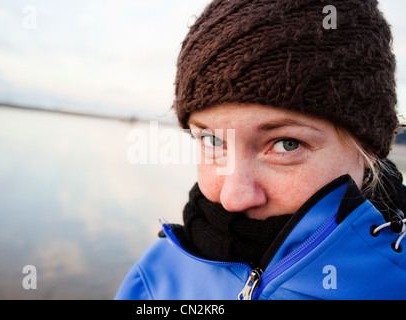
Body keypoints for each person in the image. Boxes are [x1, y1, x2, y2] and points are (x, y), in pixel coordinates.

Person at [115, 0, 406, 300]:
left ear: (368, 149)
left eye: (286, 144)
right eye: (212, 141)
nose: (233, 198)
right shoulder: (154, 279)